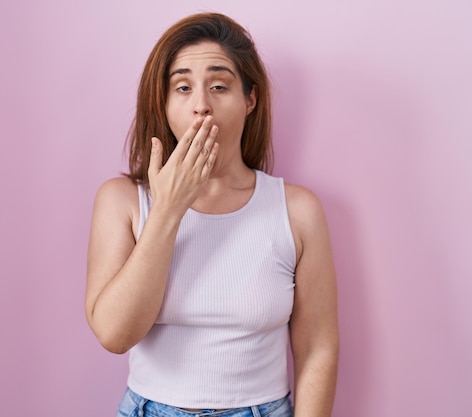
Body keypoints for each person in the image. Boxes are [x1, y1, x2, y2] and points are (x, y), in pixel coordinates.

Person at [85, 12, 339, 417]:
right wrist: (168, 209)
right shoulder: (121, 201)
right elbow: (114, 334)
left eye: (219, 86)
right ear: (163, 103)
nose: (201, 105)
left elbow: (317, 348)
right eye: (182, 87)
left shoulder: (297, 211)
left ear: (249, 100)